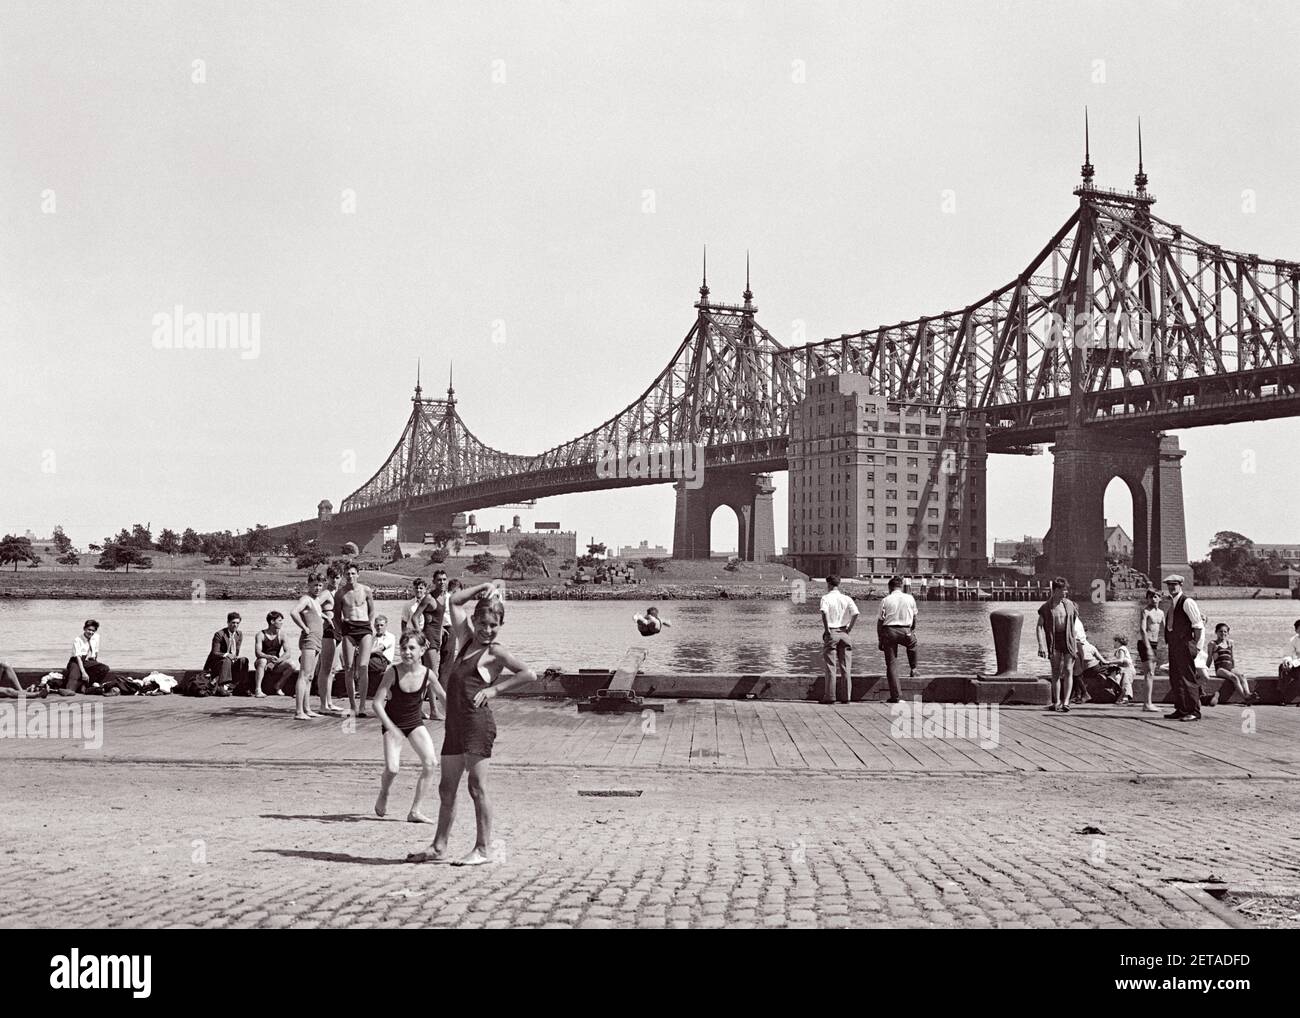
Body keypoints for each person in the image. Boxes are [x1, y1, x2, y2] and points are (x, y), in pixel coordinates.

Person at [408, 597, 536, 866]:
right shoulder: (465, 640)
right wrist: (485, 588)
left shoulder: (495, 652)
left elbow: (529, 674)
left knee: (477, 787)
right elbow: (454, 602)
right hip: (454, 725)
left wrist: (494, 689)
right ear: (474, 621)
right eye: (483, 623)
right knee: (447, 789)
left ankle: (482, 849)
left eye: (494, 625)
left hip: (477, 724)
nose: (488, 630)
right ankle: (439, 846)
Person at [372, 631, 440, 824]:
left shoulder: (428, 674)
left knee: (431, 763)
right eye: (404, 648)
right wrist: (390, 727)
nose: (407, 652)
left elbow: (444, 698)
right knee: (393, 769)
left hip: (414, 724)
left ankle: (415, 811)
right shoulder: (393, 671)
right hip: (392, 723)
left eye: (412, 648)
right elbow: (377, 703)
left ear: (422, 650)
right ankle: (384, 792)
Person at [1162, 574, 1204, 722]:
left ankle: (1194, 711)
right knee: (1176, 678)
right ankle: (1181, 709)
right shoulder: (1173, 603)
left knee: (1188, 678)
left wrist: (1196, 647)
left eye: (1174, 585)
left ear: (1180, 585)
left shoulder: (1187, 602)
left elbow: (1198, 626)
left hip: (1185, 645)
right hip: (1174, 646)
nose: (1172, 587)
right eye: (1169, 585)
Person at [1035, 577, 1081, 712]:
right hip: (1054, 641)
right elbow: (1039, 627)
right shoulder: (1046, 607)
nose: (1065, 593)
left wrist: (1078, 639)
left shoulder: (1070, 605)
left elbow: (1075, 621)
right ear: (1055, 590)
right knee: (1056, 672)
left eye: (1066, 590)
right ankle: (1056, 701)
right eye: (1062, 590)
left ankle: (1066, 701)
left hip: (1068, 640)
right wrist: (1041, 645)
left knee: (1068, 670)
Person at [336, 562, 376, 717]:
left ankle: (362, 706)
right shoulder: (340, 593)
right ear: (344, 575)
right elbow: (337, 615)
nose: (350, 576)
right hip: (349, 629)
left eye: (353, 573)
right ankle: (352, 705)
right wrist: (341, 631)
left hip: (364, 628)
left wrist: (370, 625)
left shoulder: (366, 590)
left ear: (358, 574)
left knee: (364, 666)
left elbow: (372, 610)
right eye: (347, 573)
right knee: (348, 667)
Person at [876, 575, 919, 704]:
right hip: (906, 630)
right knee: (913, 645)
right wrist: (912, 630)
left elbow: (880, 622)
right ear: (901, 587)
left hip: (889, 631)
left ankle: (896, 696)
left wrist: (880, 639)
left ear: (890, 587)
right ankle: (914, 668)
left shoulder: (885, 600)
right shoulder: (910, 598)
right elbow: (914, 618)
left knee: (892, 663)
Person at [289, 573, 326, 720]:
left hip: (317, 640)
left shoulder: (316, 600)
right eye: (314, 585)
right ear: (309, 585)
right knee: (304, 675)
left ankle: (307, 708)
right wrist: (304, 627)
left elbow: (316, 615)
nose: (317, 588)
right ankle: (299, 711)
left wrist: (326, 617)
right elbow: (294, 612)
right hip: (309, 640)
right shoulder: (306, 599)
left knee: (310, 676)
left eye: (320, 585)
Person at [819, 575, 859, 705]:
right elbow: (855, 613)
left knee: (831, 666)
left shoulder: (826, 598)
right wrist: (849, 628)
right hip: (844, 632)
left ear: (829, 584)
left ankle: (830, 696)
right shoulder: (846, 598)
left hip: (832, 631)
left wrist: (826, 630)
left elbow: (824, 613)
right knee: (846, 667)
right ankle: (846, 696)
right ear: (839, 584)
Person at [315, 566, 344, 715]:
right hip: (328, 631)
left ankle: (329, 702)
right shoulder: (326, 593)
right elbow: (314, 606)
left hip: (339, 631)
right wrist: (325, 617)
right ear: (328, 578)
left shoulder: (340, 593)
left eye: (337, 577)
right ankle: (322, 704)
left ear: (341, 577)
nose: (335, 579)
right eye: (332, 576)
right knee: (325, 669)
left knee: (332, 670)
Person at [1206, 622, 1258, 706]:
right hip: (1220, 669)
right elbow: (1209, 659)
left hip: (1229, 668)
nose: (1223, 633)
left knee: (1242, 676)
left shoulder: (1230, 643)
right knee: (1234, 678)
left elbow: (1232, 658)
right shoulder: (1213, 644)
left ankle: (1248, 694)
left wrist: (1234, 669)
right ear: (1216, 632)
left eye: (1225, 631)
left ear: (1228, 633)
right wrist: (1205, 671)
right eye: (1220, 631)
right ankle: (1245, 698)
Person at [253, 611, 298, 698]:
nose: (282, 623)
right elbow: (258, 653)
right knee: (262, 661)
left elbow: (288, 653)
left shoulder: (283, 635)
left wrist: (277, 661)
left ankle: (278, 686)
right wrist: (268, 657)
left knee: (292, 665)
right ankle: (258, 689)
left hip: (276, 663)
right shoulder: (260, 634)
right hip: (262, 663)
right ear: (272, 622)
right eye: (280, 620)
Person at [203, 612, 250, 693]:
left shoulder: (239, 634)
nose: (235, 625)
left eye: (237, 623)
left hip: (230, 663)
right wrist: (227, 655)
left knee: (244, 660)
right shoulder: (219, 634)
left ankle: (242, 686)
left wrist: (234, 658)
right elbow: (215, 653)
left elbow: (236, 652)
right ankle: (221, 686)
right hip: (218, 663)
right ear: (228, 623)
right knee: (227, 659)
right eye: (233, 623)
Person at [63, 619, 113, 694]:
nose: (91, 632)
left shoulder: (96, 637)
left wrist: (95, 664)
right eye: (89, 630)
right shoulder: (78, 640)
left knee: (104, 668)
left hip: (88, 661)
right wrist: (83, 672)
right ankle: (64, 689)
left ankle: (86, 686)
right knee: (72, 686)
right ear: (84, 629)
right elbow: (78, 657)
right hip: (76, 661)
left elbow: (95, 652)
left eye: (93, 631)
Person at [367, 614, 397, 690]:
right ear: (374, 625)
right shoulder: (372, 637)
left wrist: (364, 653)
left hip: (383, 661)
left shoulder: (390, 636)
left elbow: (379, 649)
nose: (379, 627)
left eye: (381, 625)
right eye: (377, 625)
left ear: (386, 625)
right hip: (372, 658)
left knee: (363, 660)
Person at [1277, 619, 1300, 704]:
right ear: (1296, 630)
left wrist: (1293, 663)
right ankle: (1282, 696)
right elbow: (1287, 653)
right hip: (1296, 665)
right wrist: (1287, 662)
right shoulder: (1293, 640)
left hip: (1297, 664)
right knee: (1282, 668)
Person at [1111, 636, 1137, 705]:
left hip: (1128, 669)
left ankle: (1125, 698)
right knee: (1122, 682)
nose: (1113, 643)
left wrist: (1109, 662)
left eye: (1114, 641)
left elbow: (1120, 660)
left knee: (1126, 683)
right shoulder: (1120, 649)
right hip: (1125, 669)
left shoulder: (1121, 649)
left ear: (1118, 642)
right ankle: (1122, 698)